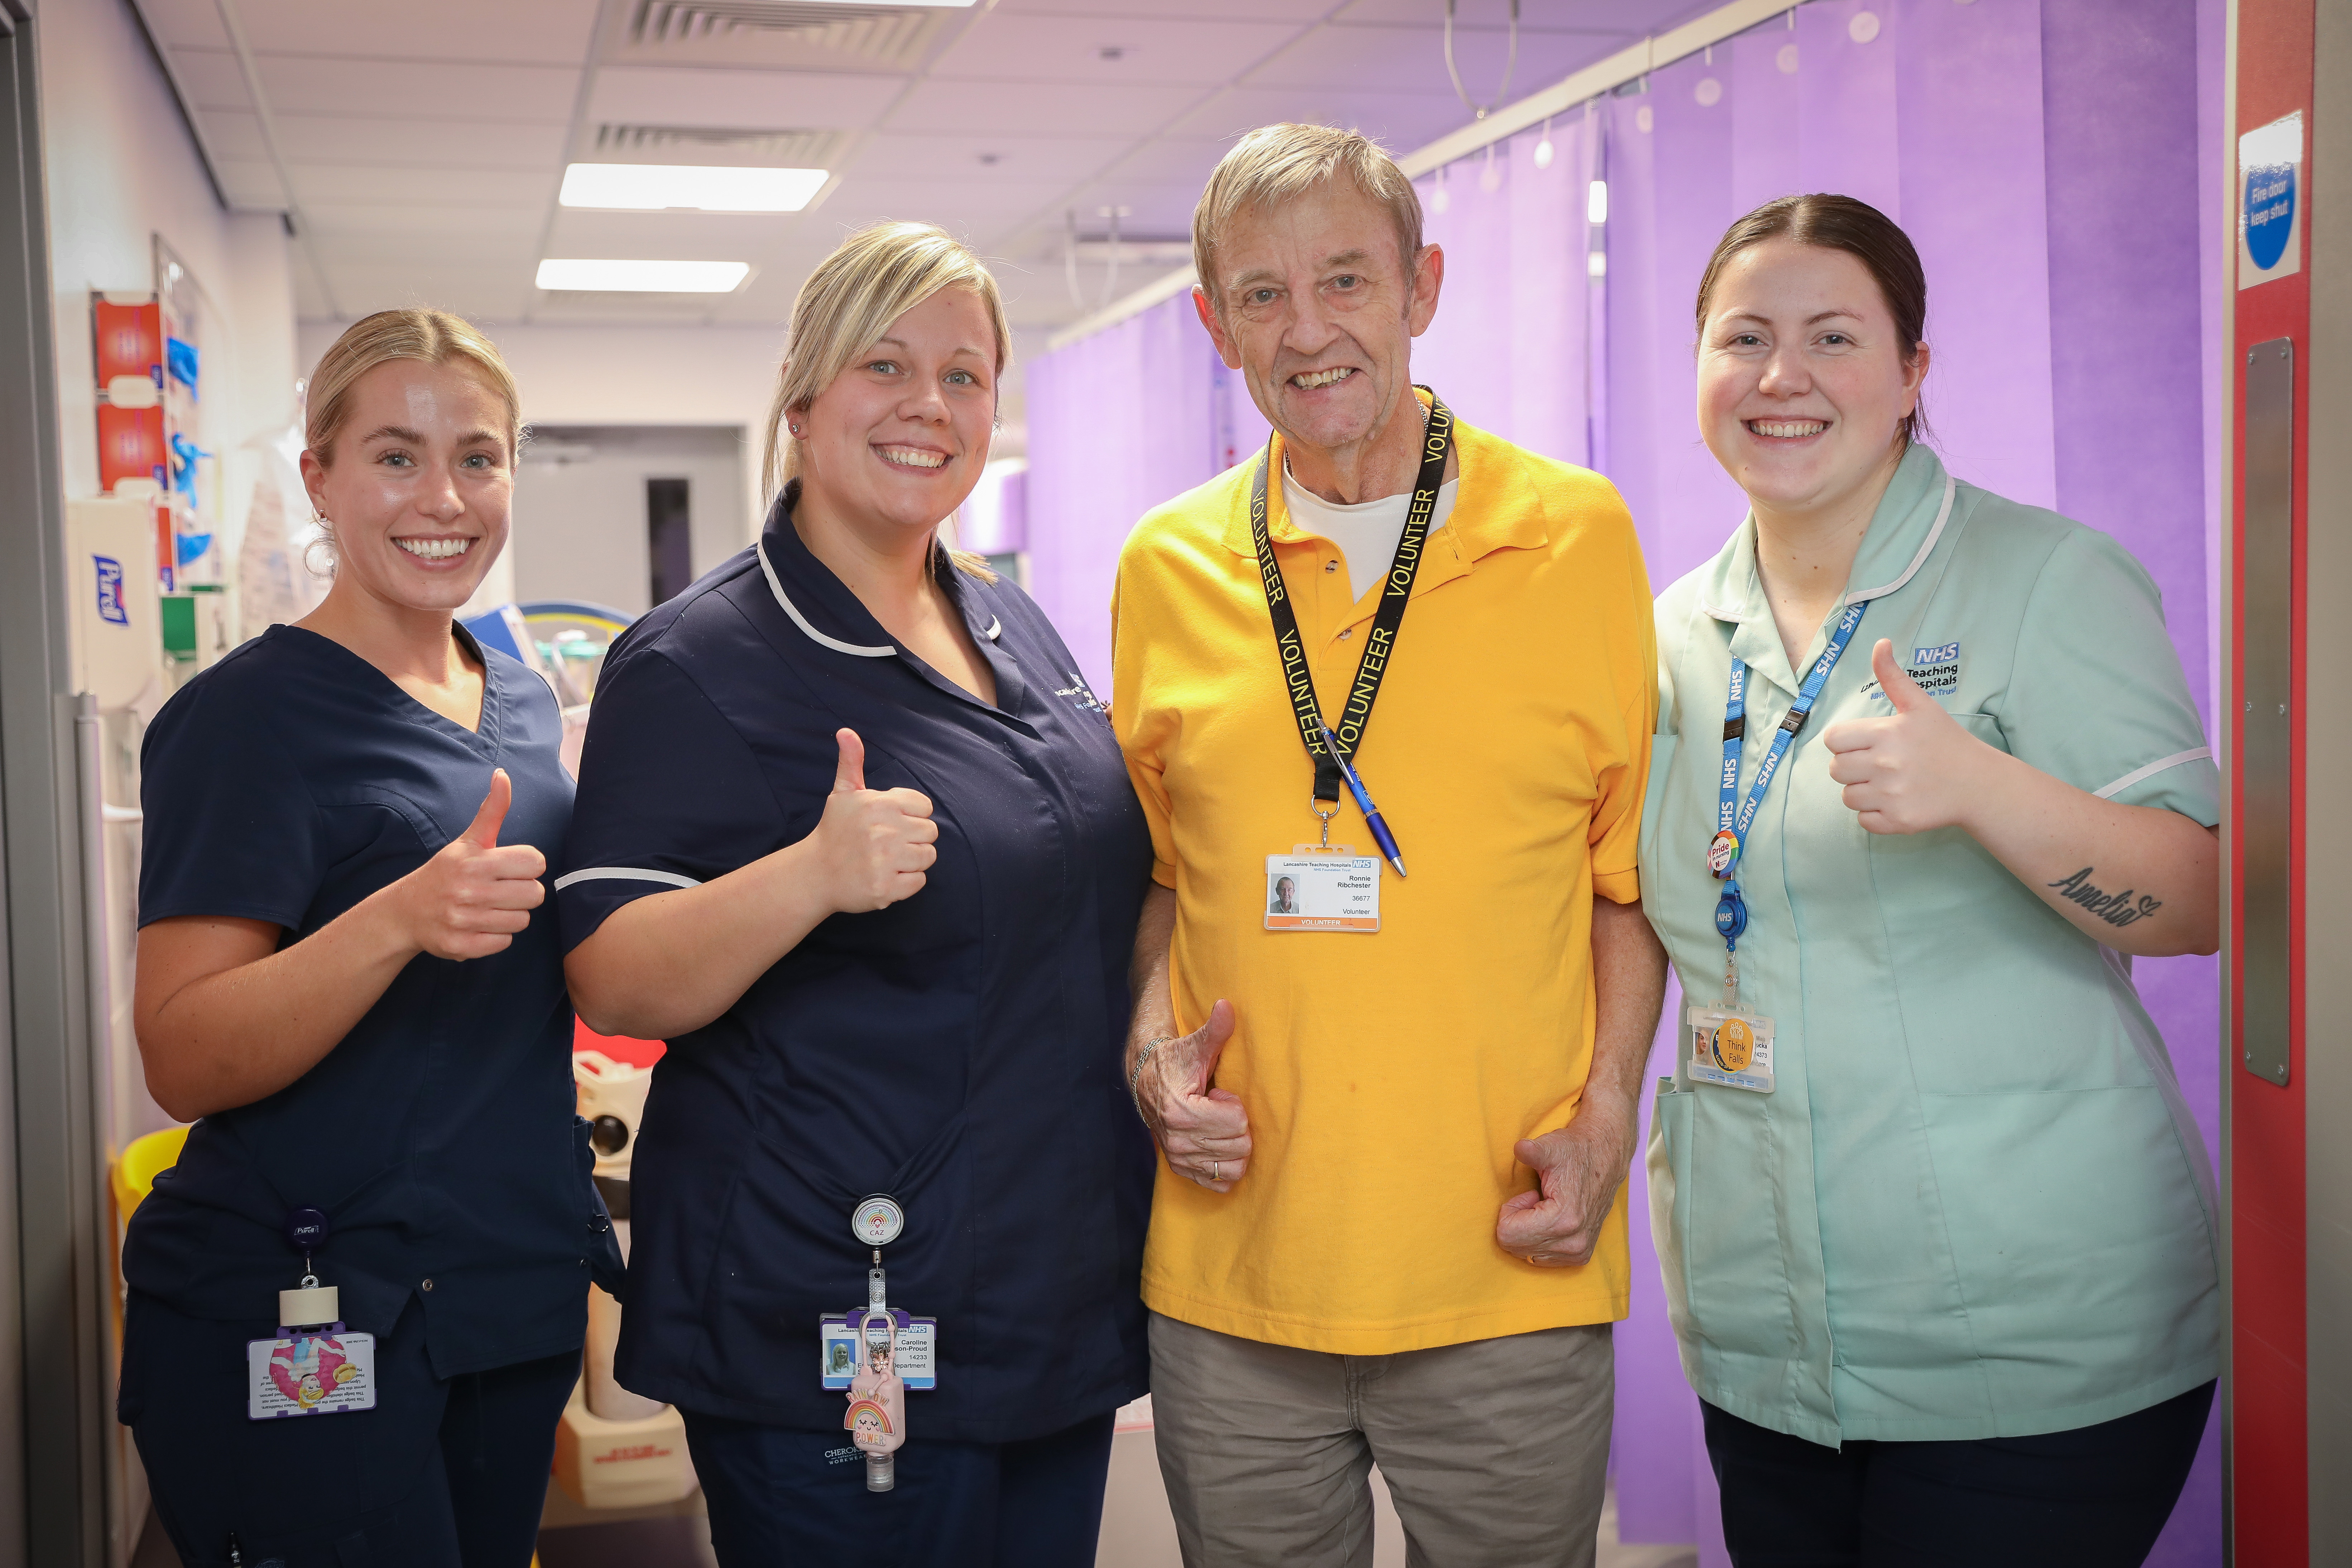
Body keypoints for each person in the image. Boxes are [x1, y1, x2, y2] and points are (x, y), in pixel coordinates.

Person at [557, 221, 1153, 1567]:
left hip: (1045, 1295)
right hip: (835, 1306)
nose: (929, 406)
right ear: (806, 399)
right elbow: (608, 970)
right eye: (887, 364)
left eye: (965, 374)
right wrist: (813, 877)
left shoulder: (1013, 620)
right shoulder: (700, 658)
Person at [1111, 124, 1666, 1567]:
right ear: (1210, 322)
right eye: (1258, 295)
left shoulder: (1575, 537)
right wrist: (1145, 1059)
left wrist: (1607, 1112)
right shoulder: (1162, 567)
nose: (1306, 333)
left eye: (1345, 280)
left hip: (1505, 1269)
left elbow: (1624, 888)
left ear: (1422, 287)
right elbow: (1170, 883)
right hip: (1235, 1284)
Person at [1642, 195, 2220, 1567]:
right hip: (1768, 1333)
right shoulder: (1669, 633)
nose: (1783, 378)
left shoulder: (2043, 578)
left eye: (1835, 337)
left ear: (1912, 374)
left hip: (2026, 1344)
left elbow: (2203, 900)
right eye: (1746, 338)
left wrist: (1983, 790)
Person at [121, 309, 621, 1567]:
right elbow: (180, 1055)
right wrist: (396, 919)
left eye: (480, 457)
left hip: (506, 1300)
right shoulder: (244, 720)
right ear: (321, 478)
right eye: (396, 455)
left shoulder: (517, 694)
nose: (442, 496)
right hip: (313, 1309)